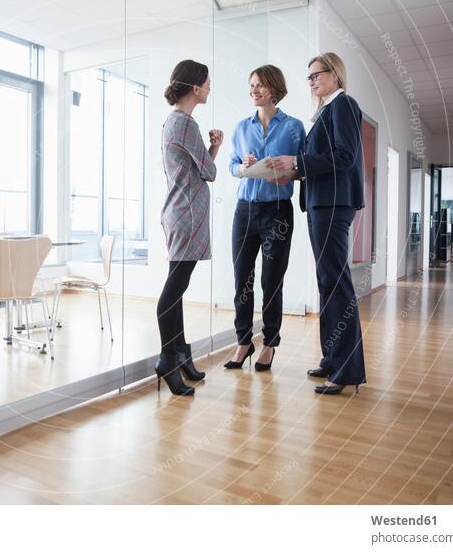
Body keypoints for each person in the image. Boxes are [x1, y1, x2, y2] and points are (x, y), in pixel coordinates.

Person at [267, 52, 367, 395]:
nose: (311, 81)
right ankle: (332, 358)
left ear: (335, 75)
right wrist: (293, 174)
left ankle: (347, 370)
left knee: (336, 283)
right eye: (308, 77)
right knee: (327, 282)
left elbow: (345, 156)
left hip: (333, 204)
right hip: (321, 203)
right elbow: (323, 161)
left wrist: (298, 160)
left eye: (316, 75)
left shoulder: (342, 105)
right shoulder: (326, 110)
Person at [223, 65, 305, 372]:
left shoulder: (294, 127)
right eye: (251, 85)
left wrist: (289, 175)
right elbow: (231, 166)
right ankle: (244, 341)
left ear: (274, 87)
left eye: (259, 85)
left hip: (278, 213)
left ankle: (270, 342)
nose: (253, 90)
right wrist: (243, 167)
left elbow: (302, 168)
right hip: (245, 211)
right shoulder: (241, 127)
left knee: (271, 280)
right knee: (242, 278)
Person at [157, 59, 223, 396]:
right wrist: (215, 148)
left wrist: (210, 150)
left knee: (177, 288)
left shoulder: (175, 122)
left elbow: (200, 169)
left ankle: (180, 353)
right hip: (187, 215)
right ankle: (167, 358)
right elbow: (209, 173)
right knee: (173, 290)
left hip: (180, 213)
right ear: (194, 88)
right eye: (207, 83)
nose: (210, 87)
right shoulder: (185, 124)